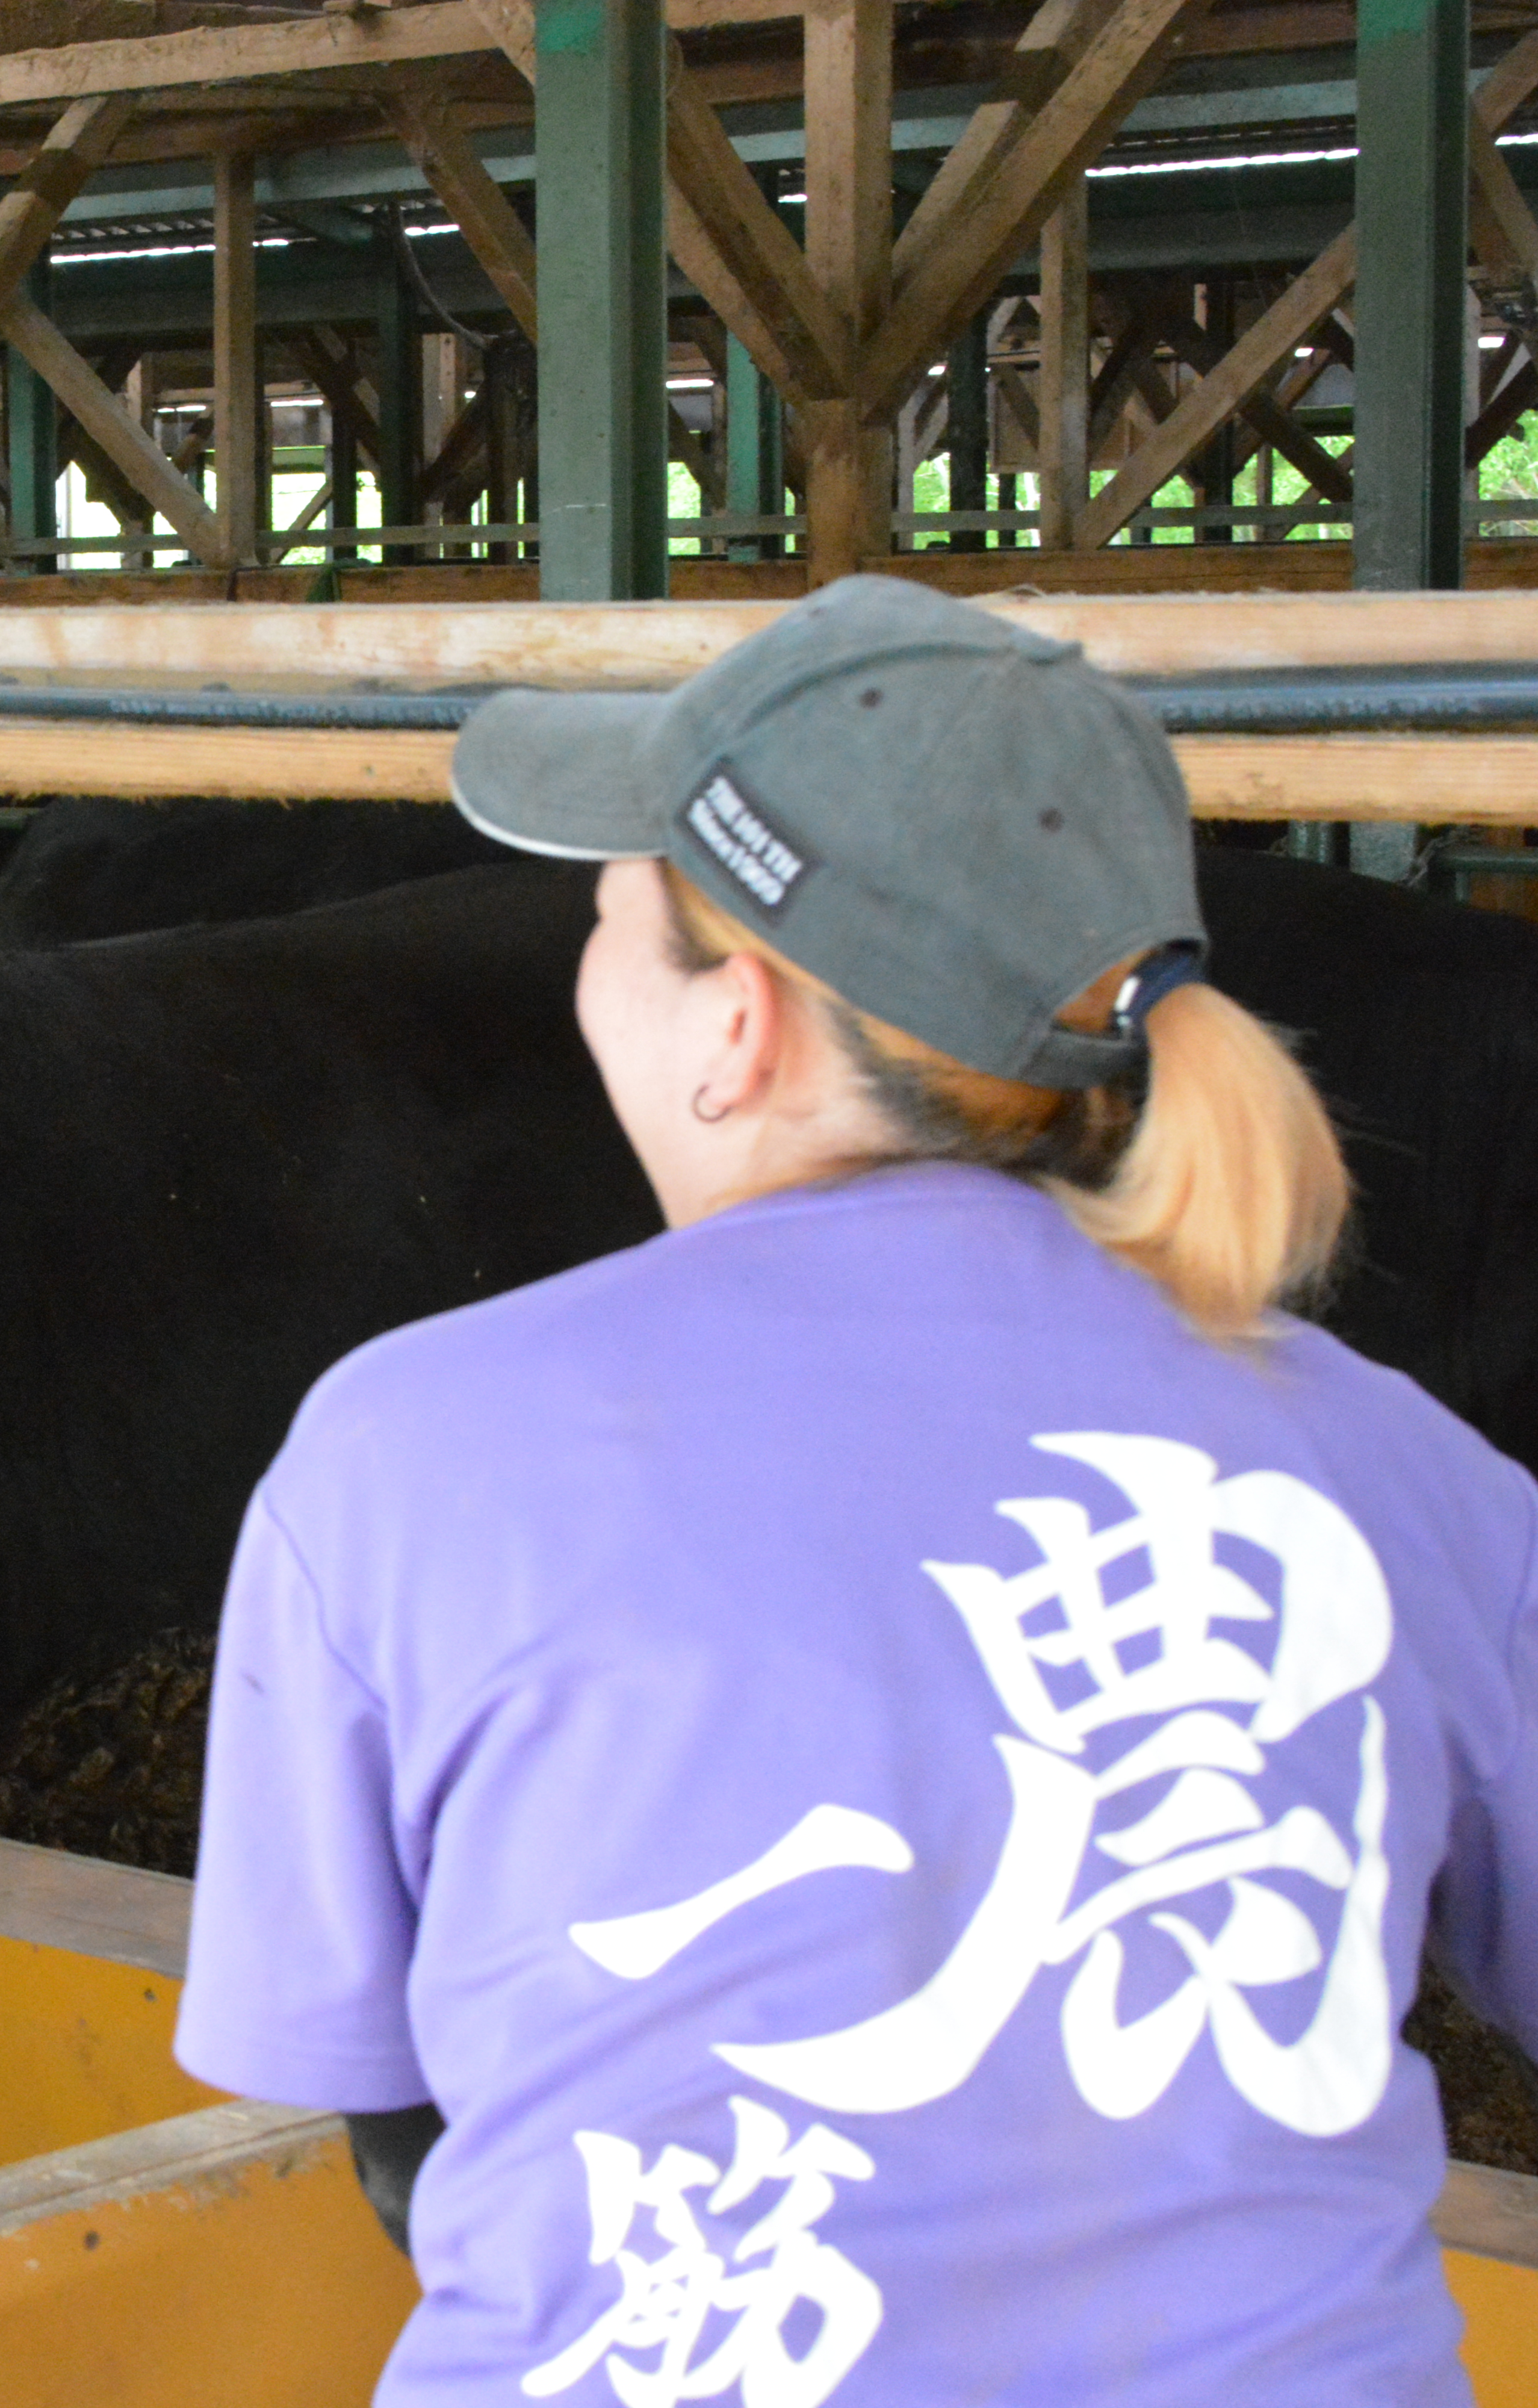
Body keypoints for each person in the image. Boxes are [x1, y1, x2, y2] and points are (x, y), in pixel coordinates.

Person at [176, 577, 1538, 2404]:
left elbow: (373, 2087)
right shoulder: (1396, 1464)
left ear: (734, 1029)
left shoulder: (408, 1454)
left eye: (605, 916)